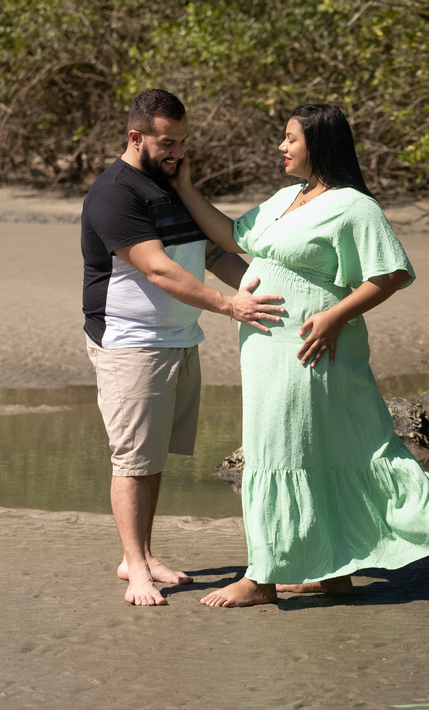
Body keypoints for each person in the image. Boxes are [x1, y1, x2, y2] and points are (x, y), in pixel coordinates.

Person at [171, 103, 429, 608]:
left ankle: (262, 579)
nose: (281, 147)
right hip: (268, 350)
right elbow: (230, 236)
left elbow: (391, 273)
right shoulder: (287, 197)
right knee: (307, 452)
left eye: (291, 138)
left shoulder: (354, 206)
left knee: (279, 451)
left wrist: (334, 316)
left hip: (310, 349)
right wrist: (184, 187)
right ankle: (333, 572)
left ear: (320, 143)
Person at [81, 89, 287, 606]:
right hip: (132, 343)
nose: (178, 152)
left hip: (178, 339)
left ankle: (143, 556)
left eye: (183, 141)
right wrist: (230, 307)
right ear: (136, 137)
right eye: (167, 143)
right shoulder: (115, 193)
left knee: (151, 458)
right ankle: (134, 566)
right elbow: (157, 268)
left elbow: (215, 254)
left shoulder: (172, 187)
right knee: (132, 458)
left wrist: (276, 294)